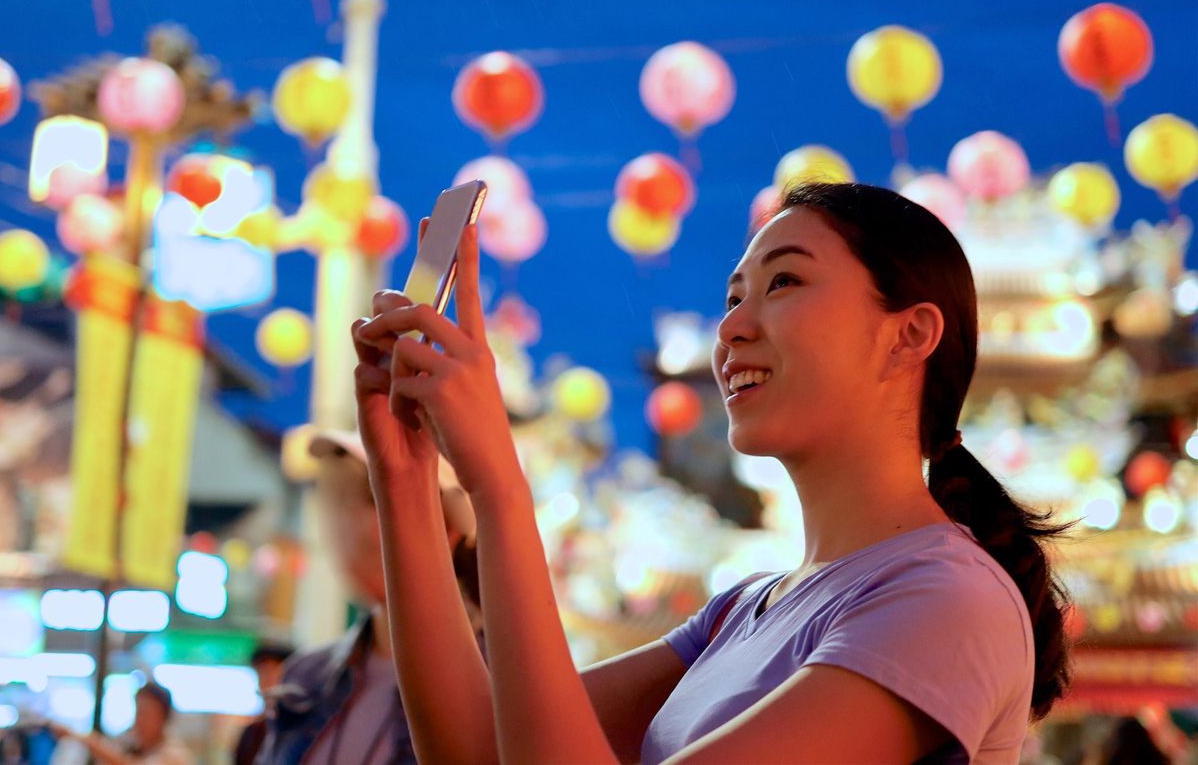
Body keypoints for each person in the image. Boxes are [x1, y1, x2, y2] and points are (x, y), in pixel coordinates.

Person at [351, 182, 1073, 764]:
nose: (731, 327)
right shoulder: (741, 611)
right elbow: (478, 750)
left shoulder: (947, 600)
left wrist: (498, 487)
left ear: (908, 334)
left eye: (784, 282)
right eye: (733, 298)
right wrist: (405, 476)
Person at [256, 429, 479, 765]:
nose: (351, 522)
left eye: (374, 498)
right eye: (340, 500)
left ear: (448, 527)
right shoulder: (306, 676)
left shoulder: (503, 681)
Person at [53, 681, 191, 764]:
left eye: (147, 714)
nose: (140, 720)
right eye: (138, 713)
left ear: (164, 717)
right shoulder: (129, 743)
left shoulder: (175, 754)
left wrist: (87, 740)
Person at [232, 642, 292, 765]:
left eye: (273, 671)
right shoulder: (253, 732)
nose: (266, 679)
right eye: (261, 672)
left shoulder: (301, 729)